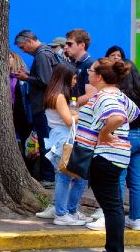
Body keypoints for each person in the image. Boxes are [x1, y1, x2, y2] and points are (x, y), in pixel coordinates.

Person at [77, 58, 139, 252]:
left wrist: (105, 133)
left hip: (105, 156)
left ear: (100, 76)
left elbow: (119, 117)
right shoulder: (118, 95)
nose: (88, 73)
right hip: (116, 156)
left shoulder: (105, 96)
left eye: (91, 70)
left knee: (112, 207)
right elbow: (134, 112)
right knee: (114, 205)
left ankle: (113, 249)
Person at [91, 60, 140, 232]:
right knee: (137, 180)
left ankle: (113, 217)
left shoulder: (114, 94)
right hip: (138, 135)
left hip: (120, 138)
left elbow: (118, 118)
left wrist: (104, 132)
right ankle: (137, 219)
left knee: (119, 181)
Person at [36, 62, 89, 225]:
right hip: (63, 139)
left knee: (73, 177)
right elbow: (68, 120)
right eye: (73, 78)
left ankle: (66, 210)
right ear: (64, 78)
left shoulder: (56, 94)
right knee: (66, 177)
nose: (74, 82)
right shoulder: (59, 96)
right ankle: (62, 213)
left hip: (61, 138)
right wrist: (85, 113)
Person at [15, 30, 59, 182]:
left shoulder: (42, 55)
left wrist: (26, 78)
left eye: (22, 47)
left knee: (45, 141)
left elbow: (45, 81)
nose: (22, 51)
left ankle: (48, 177)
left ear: (29, 41)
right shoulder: (46, 53)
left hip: (43, 106)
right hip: (48, 106)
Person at [64, 29, 96, 100]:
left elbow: (90, 95)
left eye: (69, 44)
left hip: (81, 109)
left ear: (82, 45)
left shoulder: (90, 64)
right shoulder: (70, 62)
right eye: (66, 44)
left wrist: (71, 105)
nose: (65, 47)